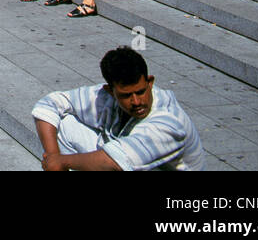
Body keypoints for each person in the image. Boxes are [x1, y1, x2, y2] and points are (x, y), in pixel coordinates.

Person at [33, 47, 205, 170]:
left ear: (150, 82)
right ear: (111, 91)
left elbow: (115, 162)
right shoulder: (106, 96)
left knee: (115, 162)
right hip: (122, 155)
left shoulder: (168, 121)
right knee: (64, 123)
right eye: (126, 95)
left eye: (141, 92)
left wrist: (62, 162)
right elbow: (50, 103)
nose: (137, 102)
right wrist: (53, 157)